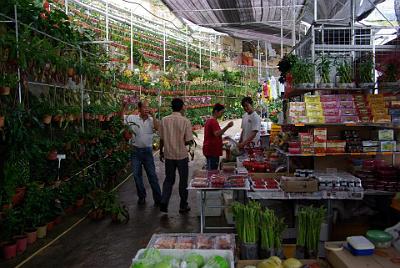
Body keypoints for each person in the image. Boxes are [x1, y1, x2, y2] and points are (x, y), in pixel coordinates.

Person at [122, 101, 162, 206]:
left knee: (152, 175)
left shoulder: (152, 120)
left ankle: (158, 199)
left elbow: (158, 128)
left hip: (148, 152)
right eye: (144, 107)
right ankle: (141, 196)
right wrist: (123, 107)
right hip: (135, 151)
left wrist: (153, 115)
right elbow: (121, 118)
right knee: (136, 175)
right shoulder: (132, 118)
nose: (146, 109)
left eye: (148, 107)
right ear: (139, 109)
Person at [159, 98, 194, 214]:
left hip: (169, 155)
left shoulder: (164, 120)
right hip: (181, 156)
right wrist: (191, 151)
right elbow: (189, 140)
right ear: (182, 107)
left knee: (169, 179)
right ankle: (183, 205)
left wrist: (161, 152)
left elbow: (162, 138)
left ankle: (164, 201)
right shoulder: (185, 121)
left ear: (172, 107)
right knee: (183, 180)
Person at [203, 103, 234, 170]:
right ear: (216, 111)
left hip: (210, 149)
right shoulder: (213, 121)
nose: (222, 114)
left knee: (211, 169)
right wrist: (227, 126)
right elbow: (217, 133)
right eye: (221, 112)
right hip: (212, 151)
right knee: (212, 171)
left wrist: (222, 139)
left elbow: (213, 135)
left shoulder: (210, 120)